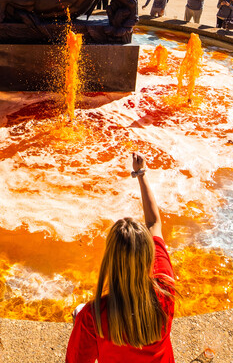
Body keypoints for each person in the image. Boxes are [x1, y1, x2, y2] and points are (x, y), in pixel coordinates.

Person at [66, 153, 176, 363]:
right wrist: (141, 174)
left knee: (77, 311)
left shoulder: (94, 316)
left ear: (111, 261)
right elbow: (154, 223)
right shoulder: (165, 288)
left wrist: (79, 323)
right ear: (148, 256)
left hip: (89, 320)